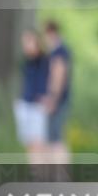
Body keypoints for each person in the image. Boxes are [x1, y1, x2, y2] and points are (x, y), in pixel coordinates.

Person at [14, 30, 49, 165]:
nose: (26, 45)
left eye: (29, 42)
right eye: (25, 42)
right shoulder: (26, 61)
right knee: (28, 143)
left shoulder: (44, 60)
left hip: (38, 106)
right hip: (25, 104)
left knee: (39, 143)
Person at [41, 20, 72, 165]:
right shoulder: (61, 51)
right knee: (53, 138)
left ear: (51, 33)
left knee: (56, 139)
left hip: (57, 101)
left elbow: (58, 77)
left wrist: (52, 99)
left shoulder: (59, 52)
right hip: (60, 100)